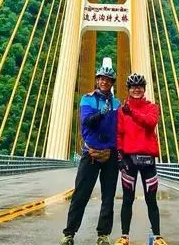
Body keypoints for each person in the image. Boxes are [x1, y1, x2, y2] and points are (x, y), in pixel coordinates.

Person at [61, 60, 121, 245]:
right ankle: (69, 233)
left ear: (112, 83)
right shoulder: (87, 99)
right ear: (97, 80)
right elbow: (87, 122)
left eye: (108, 79)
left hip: (110, 154)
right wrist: (102, 114)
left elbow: (120, 129)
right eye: (102, 78)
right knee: (81, 194)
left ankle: (103, 235)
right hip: (91, 153)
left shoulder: (117, 103)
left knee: (108, 197)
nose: (105, 82)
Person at [114, 73, 167, 245]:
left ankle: (157, 236)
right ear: (129, 90)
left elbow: (151, 123)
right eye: (133, 87)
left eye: (139, 87)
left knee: (151, 199)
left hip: (148, 160)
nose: (136, 89)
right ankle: (124, 237)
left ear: (144, 89)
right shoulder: (122, 111)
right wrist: (119, 156)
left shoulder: (152, 107)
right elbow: (119, 134)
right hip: (129, 159)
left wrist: (133, 113)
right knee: (127, 199)